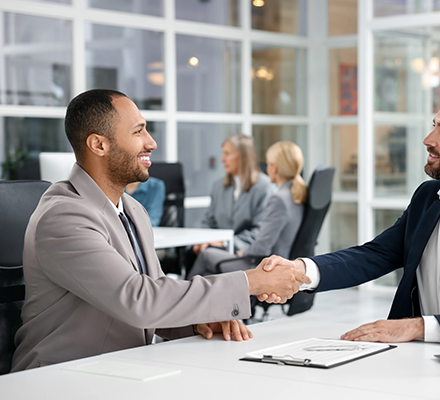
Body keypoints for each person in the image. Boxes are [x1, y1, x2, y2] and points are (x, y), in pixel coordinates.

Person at [11, 89, 309, 372]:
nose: (151, 143)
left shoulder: (132, 210)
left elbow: (156, 293)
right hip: (60, 379)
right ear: (98, 145)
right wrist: (250, 282)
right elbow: (139, 299)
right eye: (138, 131)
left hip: (119, 369)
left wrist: (196, 322)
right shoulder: (63, 216)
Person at [259, 79, 440, 345]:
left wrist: (418, 328)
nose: (428, 138)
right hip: (409, 359)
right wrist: (301, 271)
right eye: (434, 124)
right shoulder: (428, 198)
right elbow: (375, 255)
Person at [187, 141, 307, 278]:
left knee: (206, 256)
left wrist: (243, 252)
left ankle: (181, 297)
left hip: (263, 265)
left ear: (274, 168)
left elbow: (262, 247)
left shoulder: (278, 198)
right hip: (276, 261)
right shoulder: (296, 193)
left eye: (267, 164)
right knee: (208, 274)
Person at [190, 134, 275, 260]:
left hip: (245, 253)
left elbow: (261, 231)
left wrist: (224, 242)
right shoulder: (219, 186)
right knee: (191, 252)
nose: (222, 159)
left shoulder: (265, 187)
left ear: (243, 157)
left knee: (205, 257)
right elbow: (208, 222)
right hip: (216, 249)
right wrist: (205, 240)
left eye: (227, 153)